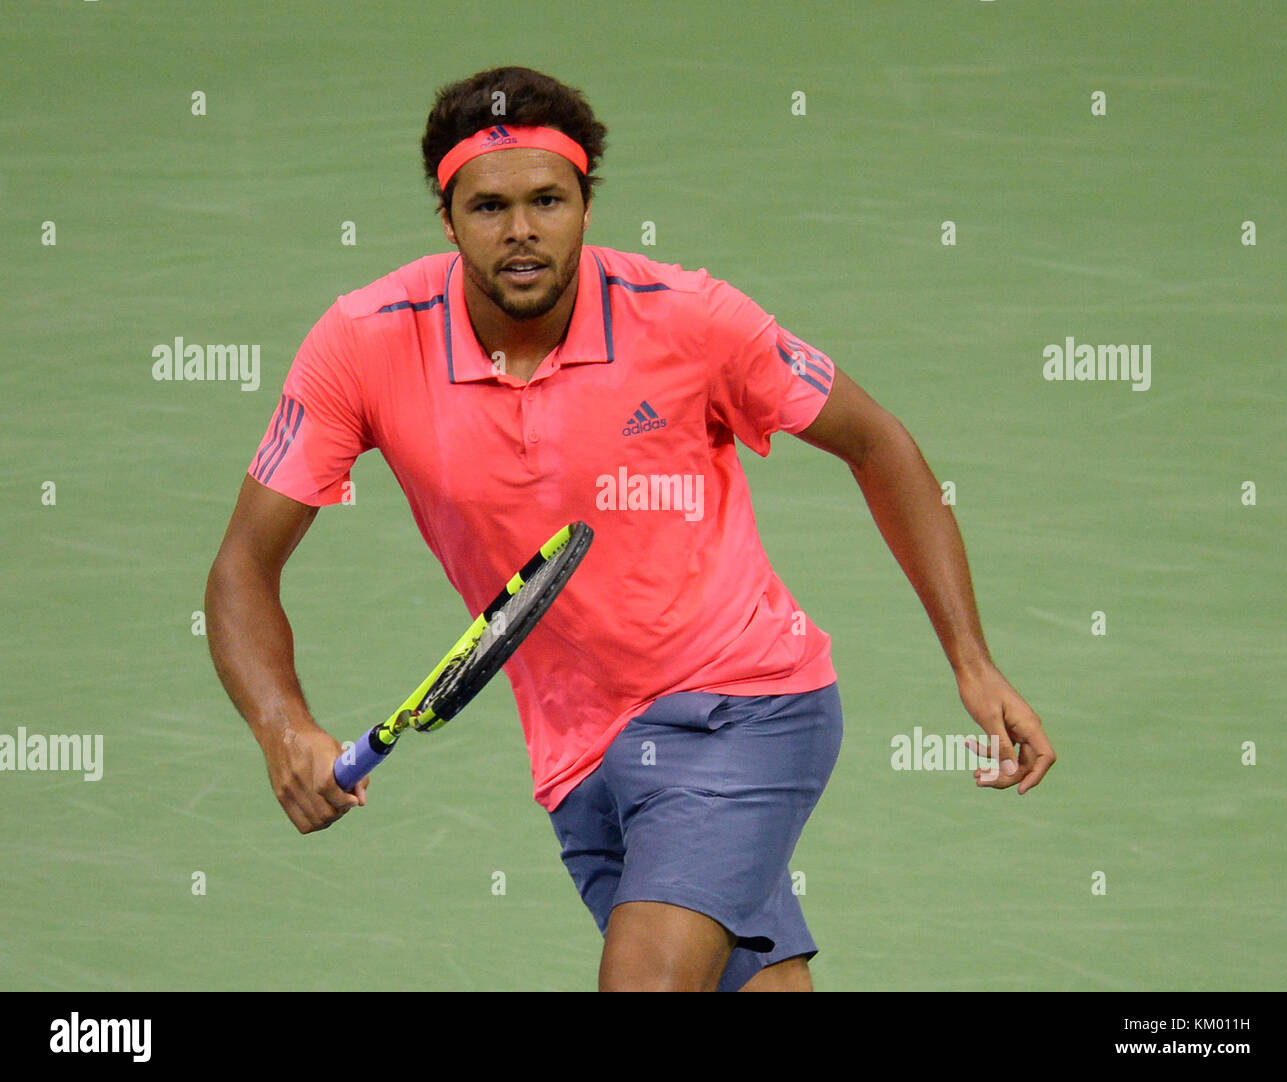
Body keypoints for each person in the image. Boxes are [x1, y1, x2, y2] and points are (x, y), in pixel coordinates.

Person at [205, 65, 1056, 993]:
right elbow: (243, 568)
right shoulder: (362, 343)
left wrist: (971, 660)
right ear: (447, 221)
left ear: (585, 205)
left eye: (548, 201)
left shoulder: (692, 320)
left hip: (744, 705)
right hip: (578, 754)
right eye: (489, 207)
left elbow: (877, 443)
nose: (522, 230)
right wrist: (281, 725)